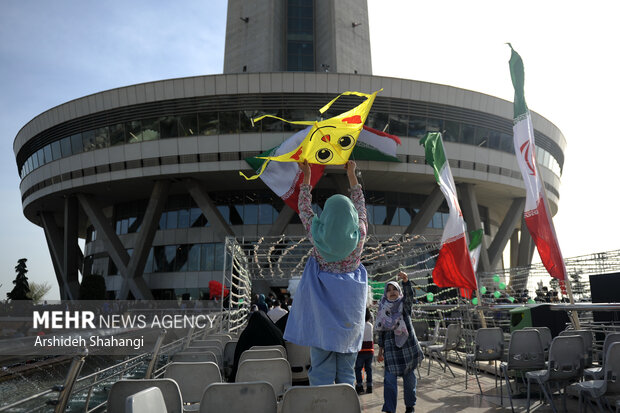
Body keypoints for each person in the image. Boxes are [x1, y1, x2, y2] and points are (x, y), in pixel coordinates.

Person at [284, 159, 368, 386]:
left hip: (322, 323)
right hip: (349, 322)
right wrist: (352, 173)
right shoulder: (358, 237)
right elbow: (360, 205)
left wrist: (307, 176)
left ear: (327, 217)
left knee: (320, 372)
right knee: (348, 375)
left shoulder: (318, 238)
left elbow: (303, 208)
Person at [376, 271, 424, 413]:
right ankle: (390, 409)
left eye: (394, 289)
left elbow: (409, 297)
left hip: (407, 350)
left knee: (409, 383)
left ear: (399, 291)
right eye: (389, 290)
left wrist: (406, 281)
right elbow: (381, 331)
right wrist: (380, 351)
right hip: (391, 352)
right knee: (389, 381)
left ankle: (410, 406)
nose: (392, 292)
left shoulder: (404, 307)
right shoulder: (383, 309)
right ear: (385, 293)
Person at [355, 307, 374, 394]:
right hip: (370, 351)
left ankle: (360, 386)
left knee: (358, 369)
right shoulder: (370, 325)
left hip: (360, 351)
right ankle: (369, 386)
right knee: (368, 369)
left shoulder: (358, 325)